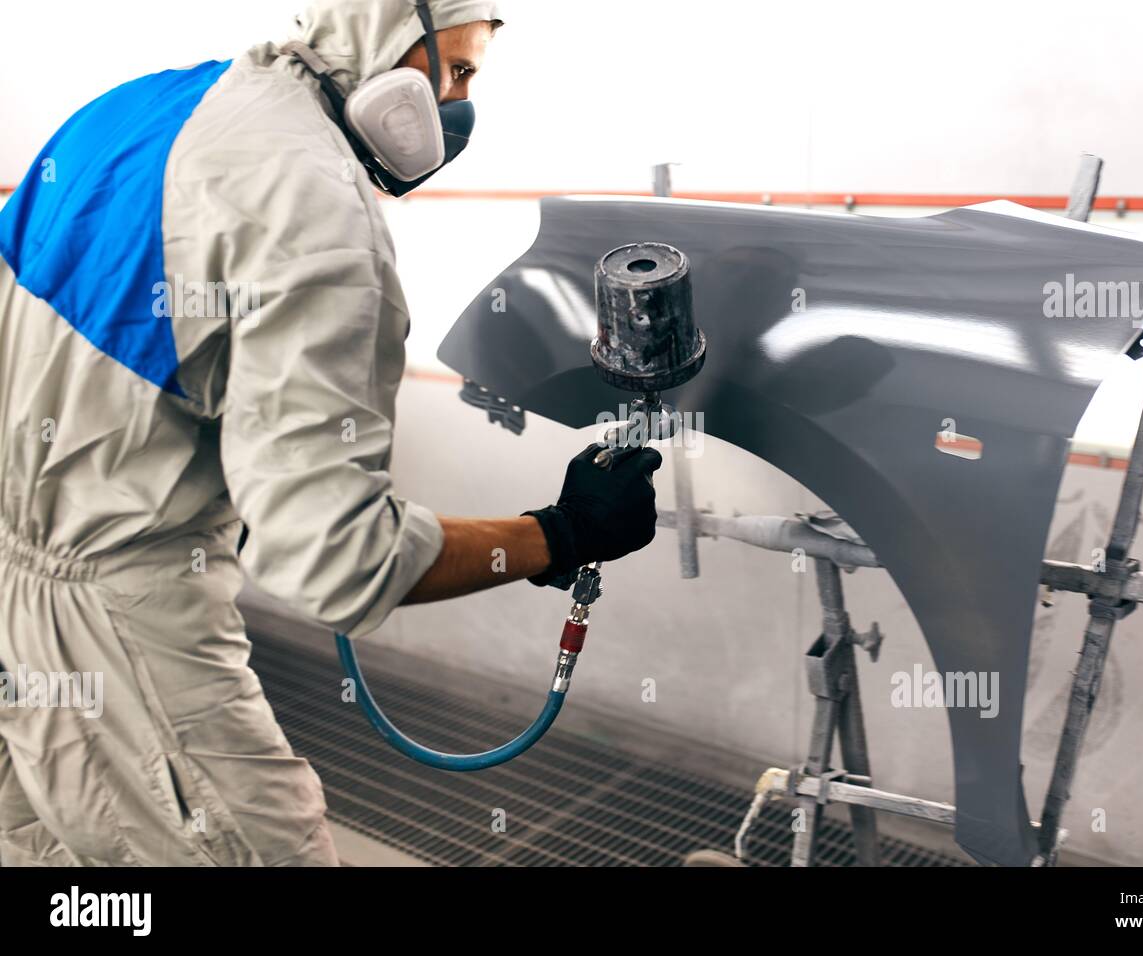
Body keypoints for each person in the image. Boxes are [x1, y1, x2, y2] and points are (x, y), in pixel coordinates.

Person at [0, 0, 659, 866]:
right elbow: (339, 562)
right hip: (126, 640)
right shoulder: (318, 206)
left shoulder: (136, 108)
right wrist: (559, 535)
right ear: (390, 39)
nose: (459, 108)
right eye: (456, 72)